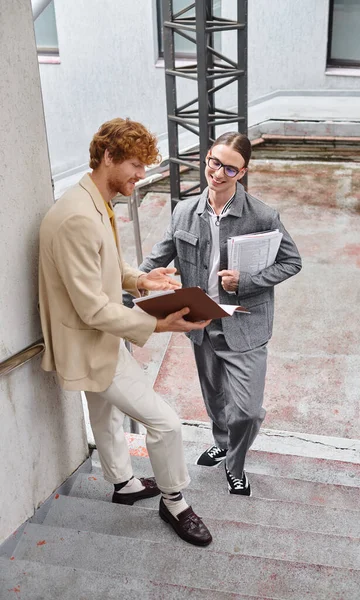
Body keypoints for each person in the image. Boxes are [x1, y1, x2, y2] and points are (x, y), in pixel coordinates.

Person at [38, 118, 212, 546]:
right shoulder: (77, 217)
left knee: (104, 412)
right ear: (109, 157)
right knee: (166, 423)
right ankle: (174, 503)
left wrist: (141, 281)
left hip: (97, 333)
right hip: (90, 340)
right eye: (136, 164)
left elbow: (106, 268)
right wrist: (157, 322)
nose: (142, 174)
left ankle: (123, 484)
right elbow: (92, 307)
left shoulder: (92, 200)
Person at [140, 132, 302, 496]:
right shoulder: (184, 211)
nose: (218, 173)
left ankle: (235, 462)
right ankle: (223, 440)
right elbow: (154, 261)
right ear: (207, 159)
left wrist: (248, 280)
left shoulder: (262, 215)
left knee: (245, 409)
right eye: (214, 162)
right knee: (215, 399)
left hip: (245, 323)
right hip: (201, 323)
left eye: (230, 168)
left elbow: (292, 261)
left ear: (242, 172)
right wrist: (128, 287)